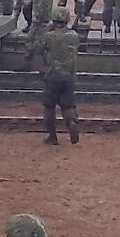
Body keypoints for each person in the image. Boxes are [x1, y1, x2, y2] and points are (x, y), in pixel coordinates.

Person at [38, 10, 80, 145]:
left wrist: (48, 30)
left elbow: (39, 48)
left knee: (49, 107)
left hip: (52, 77)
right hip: (69, 77)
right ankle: (71, 122)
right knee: (68, 105)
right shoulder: (74, 36)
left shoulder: (47, 37)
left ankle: (52, 136)